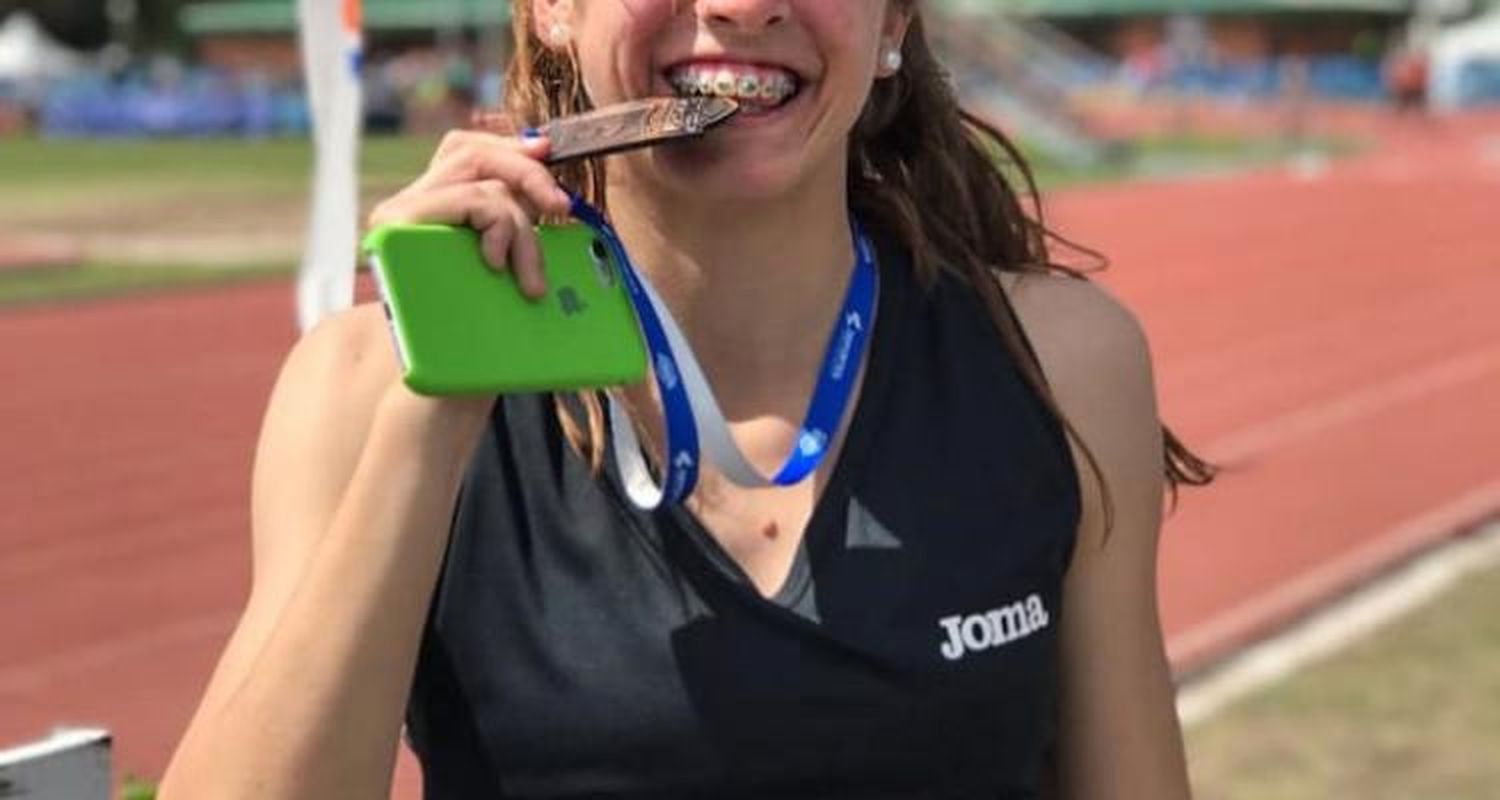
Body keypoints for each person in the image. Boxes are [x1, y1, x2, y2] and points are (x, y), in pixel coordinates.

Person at [159, 1, 1213, 797]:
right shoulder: (365, 384)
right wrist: (435, 402)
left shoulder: (1061, 364)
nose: (743, 6)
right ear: (552, 10)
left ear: (892, 21)